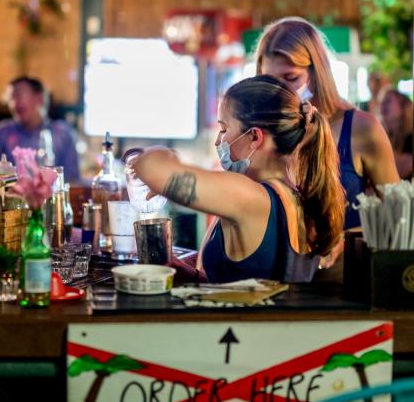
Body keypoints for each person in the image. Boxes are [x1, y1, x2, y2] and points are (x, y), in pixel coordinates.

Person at [133, 76, 345, 284]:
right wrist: (194, 276)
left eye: (224, 129)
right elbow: (251, 287)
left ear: (254, 137)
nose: (218, 140)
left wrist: (170, 158)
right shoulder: (301, 198)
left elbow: (150, 166)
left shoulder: (251, 196)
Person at [255, 17, 399, 232]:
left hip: (343, 264)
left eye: (291, 78)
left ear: (316, 73)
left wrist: (347, 238)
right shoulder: (257, 131)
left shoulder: (361, 128)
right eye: (270, 81)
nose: (280, 91)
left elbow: (398, 213)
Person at [0, 77, 81, 182]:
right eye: (11, 98)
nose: (14, 104)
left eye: (19, 96)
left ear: (39, 98)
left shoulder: (63, 134)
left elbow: (73, 179)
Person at [379, 89, 414, 180]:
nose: (382, 105)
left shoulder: (413, 139)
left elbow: (405, 167)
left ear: (403, 107)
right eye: (381, 102)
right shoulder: (386, 136)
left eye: (387, 101)